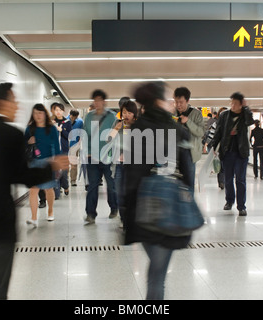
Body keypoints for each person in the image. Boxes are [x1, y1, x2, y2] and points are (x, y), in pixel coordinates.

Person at [0, 83, 68, 299]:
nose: (17, 105)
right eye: (14, 101)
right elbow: (24, 176)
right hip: (0, 213)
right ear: (3, 103)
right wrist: (52, 166)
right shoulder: (10, 134)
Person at [124, 82, 192, 300]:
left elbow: (131, 174)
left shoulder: (137, 129)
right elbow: (189, 175)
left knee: (156, 269)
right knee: (158, 273)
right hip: (170, 208)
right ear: (157, 102)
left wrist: (128, 211)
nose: (171, 102)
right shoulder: (177, 130)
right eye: (166, 98)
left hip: (143, 211)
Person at [210, 92, 254, 216]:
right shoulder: (224, 115)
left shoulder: (245, 115)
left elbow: (250, 121)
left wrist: (246, 108)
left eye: (235, 103)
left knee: (240, 180)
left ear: (241, 105)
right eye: (231, 103)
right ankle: (229, 201)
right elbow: (218, 131)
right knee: (228, 179)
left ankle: (241, 206)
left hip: (241, 153)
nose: (233, 105)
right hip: (227, 152)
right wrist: (214, 145)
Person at [83, 89, 118, 224]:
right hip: (92, 157)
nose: (97, 103)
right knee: (92, 186)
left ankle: (114, 208)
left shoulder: (112, 117)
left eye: (99, 100)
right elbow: (85, 135)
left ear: (104, 101)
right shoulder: (89, 116)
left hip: (108, 158)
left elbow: (115, 137)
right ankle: (90, 214)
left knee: (111, 185)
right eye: (95, 100)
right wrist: (86, 152)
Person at [25, 104, 61, 225]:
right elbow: (22, 145)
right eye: (35, 113)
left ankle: (50, 211)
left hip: (48, 162)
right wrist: (28, 142)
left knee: (48, 189)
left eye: (40, 113)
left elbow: (57, 146)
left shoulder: (51, 129)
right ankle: (34, 217)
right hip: (33, 162)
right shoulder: (29, 129)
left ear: (45, 114)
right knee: (33, 190)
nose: (38, 116)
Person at [111, 100, 138, 229]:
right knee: (119, 193)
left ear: (134, 114)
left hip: (134, 166)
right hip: (120, 165)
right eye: (124, 112)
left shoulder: (139, 126)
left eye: (129, 112)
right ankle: (123, 218)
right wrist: (116, 130)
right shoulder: (117, 124)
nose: (126, 115)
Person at [174, 87, 204, 191]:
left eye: (181, 102)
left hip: (190, 154)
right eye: (176, 102)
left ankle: (188, 203)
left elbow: (200, 132)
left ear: (187, 101)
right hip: (174, 154)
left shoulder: (196, 114)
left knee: (189, 183)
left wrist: (188, 122)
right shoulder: (172, 114)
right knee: (174, 182)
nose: (178, 105)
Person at [52, 103, 72, 198]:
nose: (58, 112)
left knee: (63, 172)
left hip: (63, 150)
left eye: (60, 110)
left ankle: (65, 186)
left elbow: (70, 136)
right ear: (53, 111)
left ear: (63, 111)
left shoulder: (67, 122)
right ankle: (57, 191)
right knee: (55, 171)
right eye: (56, 110)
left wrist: (61, 130)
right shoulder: (51, 122)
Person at [204, 107, 227, 189]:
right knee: (221, 166)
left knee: (226, 166)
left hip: (229, 148)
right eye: (221, 113)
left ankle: (225, 182)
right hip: (219, 147)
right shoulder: (215, 124)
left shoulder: (231, 124)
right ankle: (221, 182)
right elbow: (211, 135)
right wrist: (207, 144)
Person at [68, 109, 83, 187]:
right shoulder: (65, 121)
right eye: (73, 117)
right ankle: (63, 182)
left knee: (74, 163)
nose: (74, 119)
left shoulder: (80, 122)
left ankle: (73, 180)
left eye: (76, 117)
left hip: (75, 145)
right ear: (70, 115)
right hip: (65, 145)